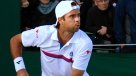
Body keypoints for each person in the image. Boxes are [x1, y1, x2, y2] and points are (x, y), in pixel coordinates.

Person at [10, 1, 93, 76]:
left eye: (78, 15)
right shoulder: (43, 33)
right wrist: (20, 69)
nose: (77, 19)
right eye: (72, 16)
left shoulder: (85, 43)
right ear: (60, 20)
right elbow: (15, 41)